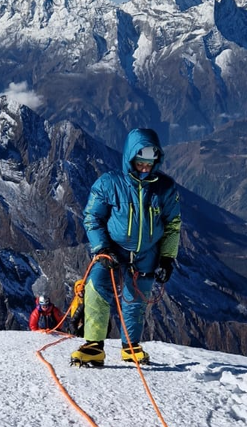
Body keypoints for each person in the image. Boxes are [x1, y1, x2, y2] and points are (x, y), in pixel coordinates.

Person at [71, 128, 181, 367]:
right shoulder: (110, 184)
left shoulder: (165, 188)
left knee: (136, 301)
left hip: (148, 254)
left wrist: (166, 258)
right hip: (113, 251)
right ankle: (93, 346)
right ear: (130, 158)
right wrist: (102, 248)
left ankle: (130, 346)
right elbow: (92, 218)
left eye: (149, 162)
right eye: (140, 161)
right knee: (97, 289)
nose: (144, 167)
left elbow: (172, 225)